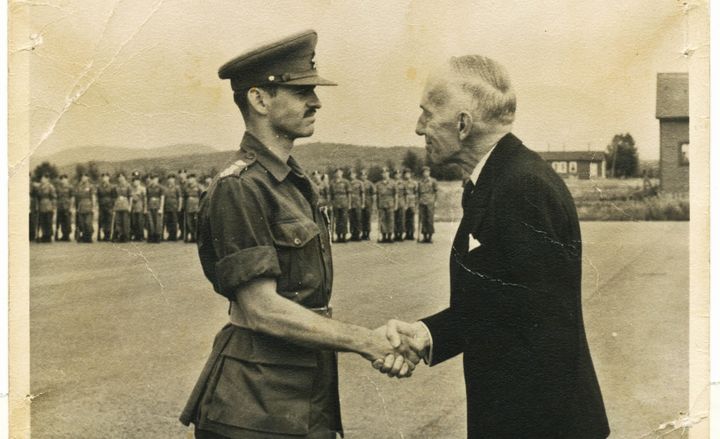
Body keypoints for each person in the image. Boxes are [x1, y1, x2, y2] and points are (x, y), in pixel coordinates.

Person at [180, 30, 416, 439]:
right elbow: (261, 308)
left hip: (303, 391)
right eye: (301, 90)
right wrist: (368, 342)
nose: (316, 101)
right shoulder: (241, 187)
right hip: (254, 406)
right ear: (259, 99)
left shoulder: (290, 182)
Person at [380, 55, 610, 438]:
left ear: (463, 124)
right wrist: (426, 334)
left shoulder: (521, 187)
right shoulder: (499, 179)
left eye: (426, 114)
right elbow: (503, 305)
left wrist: (429, 333)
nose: (419, 128)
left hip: (538, 423)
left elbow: (531, 318)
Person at [374, 167, 396, 243]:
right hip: (381, 204)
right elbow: (376, 195)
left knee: (390, 220)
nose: (385, 174)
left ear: (388, 173)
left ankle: (389, 236)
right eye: (383, 173)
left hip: (390, 203)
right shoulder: (378, 184)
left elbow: (395, 195)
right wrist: (376, 205)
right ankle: (384, 236)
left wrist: (395, 205)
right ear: (381, 174)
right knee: (382, 220)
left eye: (386, 172)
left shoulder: (393, 183)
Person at [329, 168, 350, 243]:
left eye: (340, 173)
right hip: (335, 203)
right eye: (337, 173)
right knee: (337, 220)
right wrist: (331, 204)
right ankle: (338, 236)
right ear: (335, 174)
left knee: (344, 219)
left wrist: (349, 204)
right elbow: (331, 195)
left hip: (344, 202)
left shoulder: (346, 182)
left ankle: (344, 236)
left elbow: (349, 194)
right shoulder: (332, 183)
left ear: (342, 173)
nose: (338, 174)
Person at [417, 166, 438, 243]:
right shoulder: (420, 182)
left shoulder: (433, 181)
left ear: (429, 172)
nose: (426, 173)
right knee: (423, 219)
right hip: (422, 202)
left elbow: (436, 192)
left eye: (427, 172)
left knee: (430, 219)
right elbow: (418, 193)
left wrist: (435, 202)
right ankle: (424, 236)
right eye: (424, 172)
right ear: (422, 173)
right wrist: (418, 202)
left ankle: (430, 236)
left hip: (430, 202)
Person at [74, 172, 96, 243]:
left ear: (87, 178)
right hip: (80, 206)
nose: (83, 178)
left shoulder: (90, 186)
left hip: (88, 206)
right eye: (82, 177)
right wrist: (76, 207)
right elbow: (76, 197)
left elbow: (93, 197)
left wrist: (94, 207)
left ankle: (89, 237)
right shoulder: (79, 186)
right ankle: (84, 237)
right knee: (81, 223)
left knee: (88, 223)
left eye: (85, 177)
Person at [36, 174, 56, 243]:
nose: (42, 180)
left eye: (43, 178)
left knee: (48, 222)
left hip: (48, 206)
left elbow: (53, 197)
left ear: (47, 179)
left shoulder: (50, 187)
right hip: (41, 206)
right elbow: (38, 197)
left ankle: (49, 236)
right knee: (42, 222)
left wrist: (53, 207)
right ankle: (44, 235)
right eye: (42, 178)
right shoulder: (40, 187)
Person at [112, 173, 132, 242]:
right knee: (118, 221)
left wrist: (130, 206)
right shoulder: (116, 186)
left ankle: (126, 237)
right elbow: (114, 197)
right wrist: (114, 207)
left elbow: (131, 196)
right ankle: (119, 236)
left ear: (124, 178)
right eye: (119, 177)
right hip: (118, 205)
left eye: (122, 177)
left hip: (125, 204)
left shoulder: (128, 186)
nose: (120, 178)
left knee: (125, 222)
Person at [162, 173, 182, 241]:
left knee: (174, 222)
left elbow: (180, 198)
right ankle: (170, 235)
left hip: (174, 207)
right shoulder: (165, 188)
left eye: (172, 179)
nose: (171, 180)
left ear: (174, 180)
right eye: (169, 179)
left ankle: (174, 236)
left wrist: (179, 206)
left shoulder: (177, 188)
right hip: (167, 208)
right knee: (168, 222)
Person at [183, 173, 202, 243]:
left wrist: (200, 207)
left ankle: (197, 237)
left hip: (197, 207)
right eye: (189, 178)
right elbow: (184, 197)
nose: (190, 180)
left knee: (196, 222)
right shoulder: (186, 187)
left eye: (191, 178)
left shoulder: (199, 187)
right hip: (188, 207)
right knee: (189, 223)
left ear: (194, 179)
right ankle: (192, 236)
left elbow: (202, 196)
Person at [54, 174, 74, 241]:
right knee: (61, 221)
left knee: (67, 221)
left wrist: (71, 206)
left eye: (64, 179)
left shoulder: (70, 187)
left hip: (67, 206)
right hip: (60, 206)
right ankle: (63, 235)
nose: (63, 180)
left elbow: (72, 197)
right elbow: (56, 197)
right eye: (61, 179)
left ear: (67, 179)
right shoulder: (58, 187)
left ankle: (67, 235)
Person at [96, 173, 115, 241]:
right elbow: (98, 196)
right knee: (102, 221)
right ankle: (103, 235)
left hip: (109, 206)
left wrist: (112, 205)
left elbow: (114, 197)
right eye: (103, 177)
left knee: (109, 221)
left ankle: (107, 235)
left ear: (109, 178)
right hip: (101, 206)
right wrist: (98, 204)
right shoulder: (99, 187)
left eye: (106, 177)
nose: (104, 178)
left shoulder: (112, 187)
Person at [146, 174, 165, 243]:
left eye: (155, 179)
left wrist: (161, 208)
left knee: (158, 222)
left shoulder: (160, 188)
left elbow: (162, 198)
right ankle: (151, 236)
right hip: (150, 205)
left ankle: (158, 237)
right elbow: (147, 198)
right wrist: (146, 207)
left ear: (157, 180)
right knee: (151, 222)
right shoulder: (148, 187)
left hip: (158, 205)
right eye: (153, 179)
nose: (154, 181)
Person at [347, 168, 365, 241]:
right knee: (352, 219)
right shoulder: (348, 183)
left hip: (358, 202)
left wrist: (363, 203)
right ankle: (352, 234)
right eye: (350, 174)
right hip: (350, 203)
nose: (352, 176)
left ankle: (358, 235)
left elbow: (362, 193)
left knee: (358, 219)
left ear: (355, 175)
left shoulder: (360, 183)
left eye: (353, 174)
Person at [129, 172, 147, 241]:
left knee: (140, 222)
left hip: (140, 207)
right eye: (134, 180)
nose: (135, 182)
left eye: (137, 180)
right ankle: (135, 236)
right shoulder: (131, 188)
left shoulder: (143, 189)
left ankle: (141, 236)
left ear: (139, 181)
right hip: (133, 208)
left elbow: (145, 199)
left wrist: (145, 208)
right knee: (134, 222)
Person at [402, 168, 418, 240]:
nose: (407, 175)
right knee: (405, 218)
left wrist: (416, 202)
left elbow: (416, 193)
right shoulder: (402, 183)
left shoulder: (414, 183)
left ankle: (411, 233)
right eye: (405, 173)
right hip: (404, 202)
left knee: (411, 219)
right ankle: (406, 233)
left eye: (408, 173)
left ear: (410, 174)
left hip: (412, 202)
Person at [359, 169, 374, 240]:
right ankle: (362, 233)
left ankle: (367, 234)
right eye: (362, 175)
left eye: (364, 175)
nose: (363, 176)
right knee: (361, 219)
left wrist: (373, 204)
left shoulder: (370, 184)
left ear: (367, 176)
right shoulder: (358, 183)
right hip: (359, 203)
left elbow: (373, 194)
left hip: (368, 202)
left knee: (367, 219)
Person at [392, 169, 406, 241]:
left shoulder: (403, 183)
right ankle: (395, 234)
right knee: (394, 219)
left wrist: (405, 203)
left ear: (400, 175)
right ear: (394, 175)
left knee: (401, 219)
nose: (397, 175)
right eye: (396, 174)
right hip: (392, 202)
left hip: (401, 202)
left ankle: (400, 235)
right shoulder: (391, 183)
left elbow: (406, 194)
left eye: (399, 174)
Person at [177, 169, 188, 240]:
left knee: (187, 219)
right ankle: (182, 233)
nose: (182, 176)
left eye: (183, 174)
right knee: (180, 219)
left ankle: (186, 234)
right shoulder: (178, 184)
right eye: (180, 174)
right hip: (180, 204)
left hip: (187, 203)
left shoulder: (188, 183)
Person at [29, 176, 40, 241]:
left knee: (32, 220)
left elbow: (37, 196)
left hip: (32, 204)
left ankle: (32, 235)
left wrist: (36, 205)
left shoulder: (33, 186)